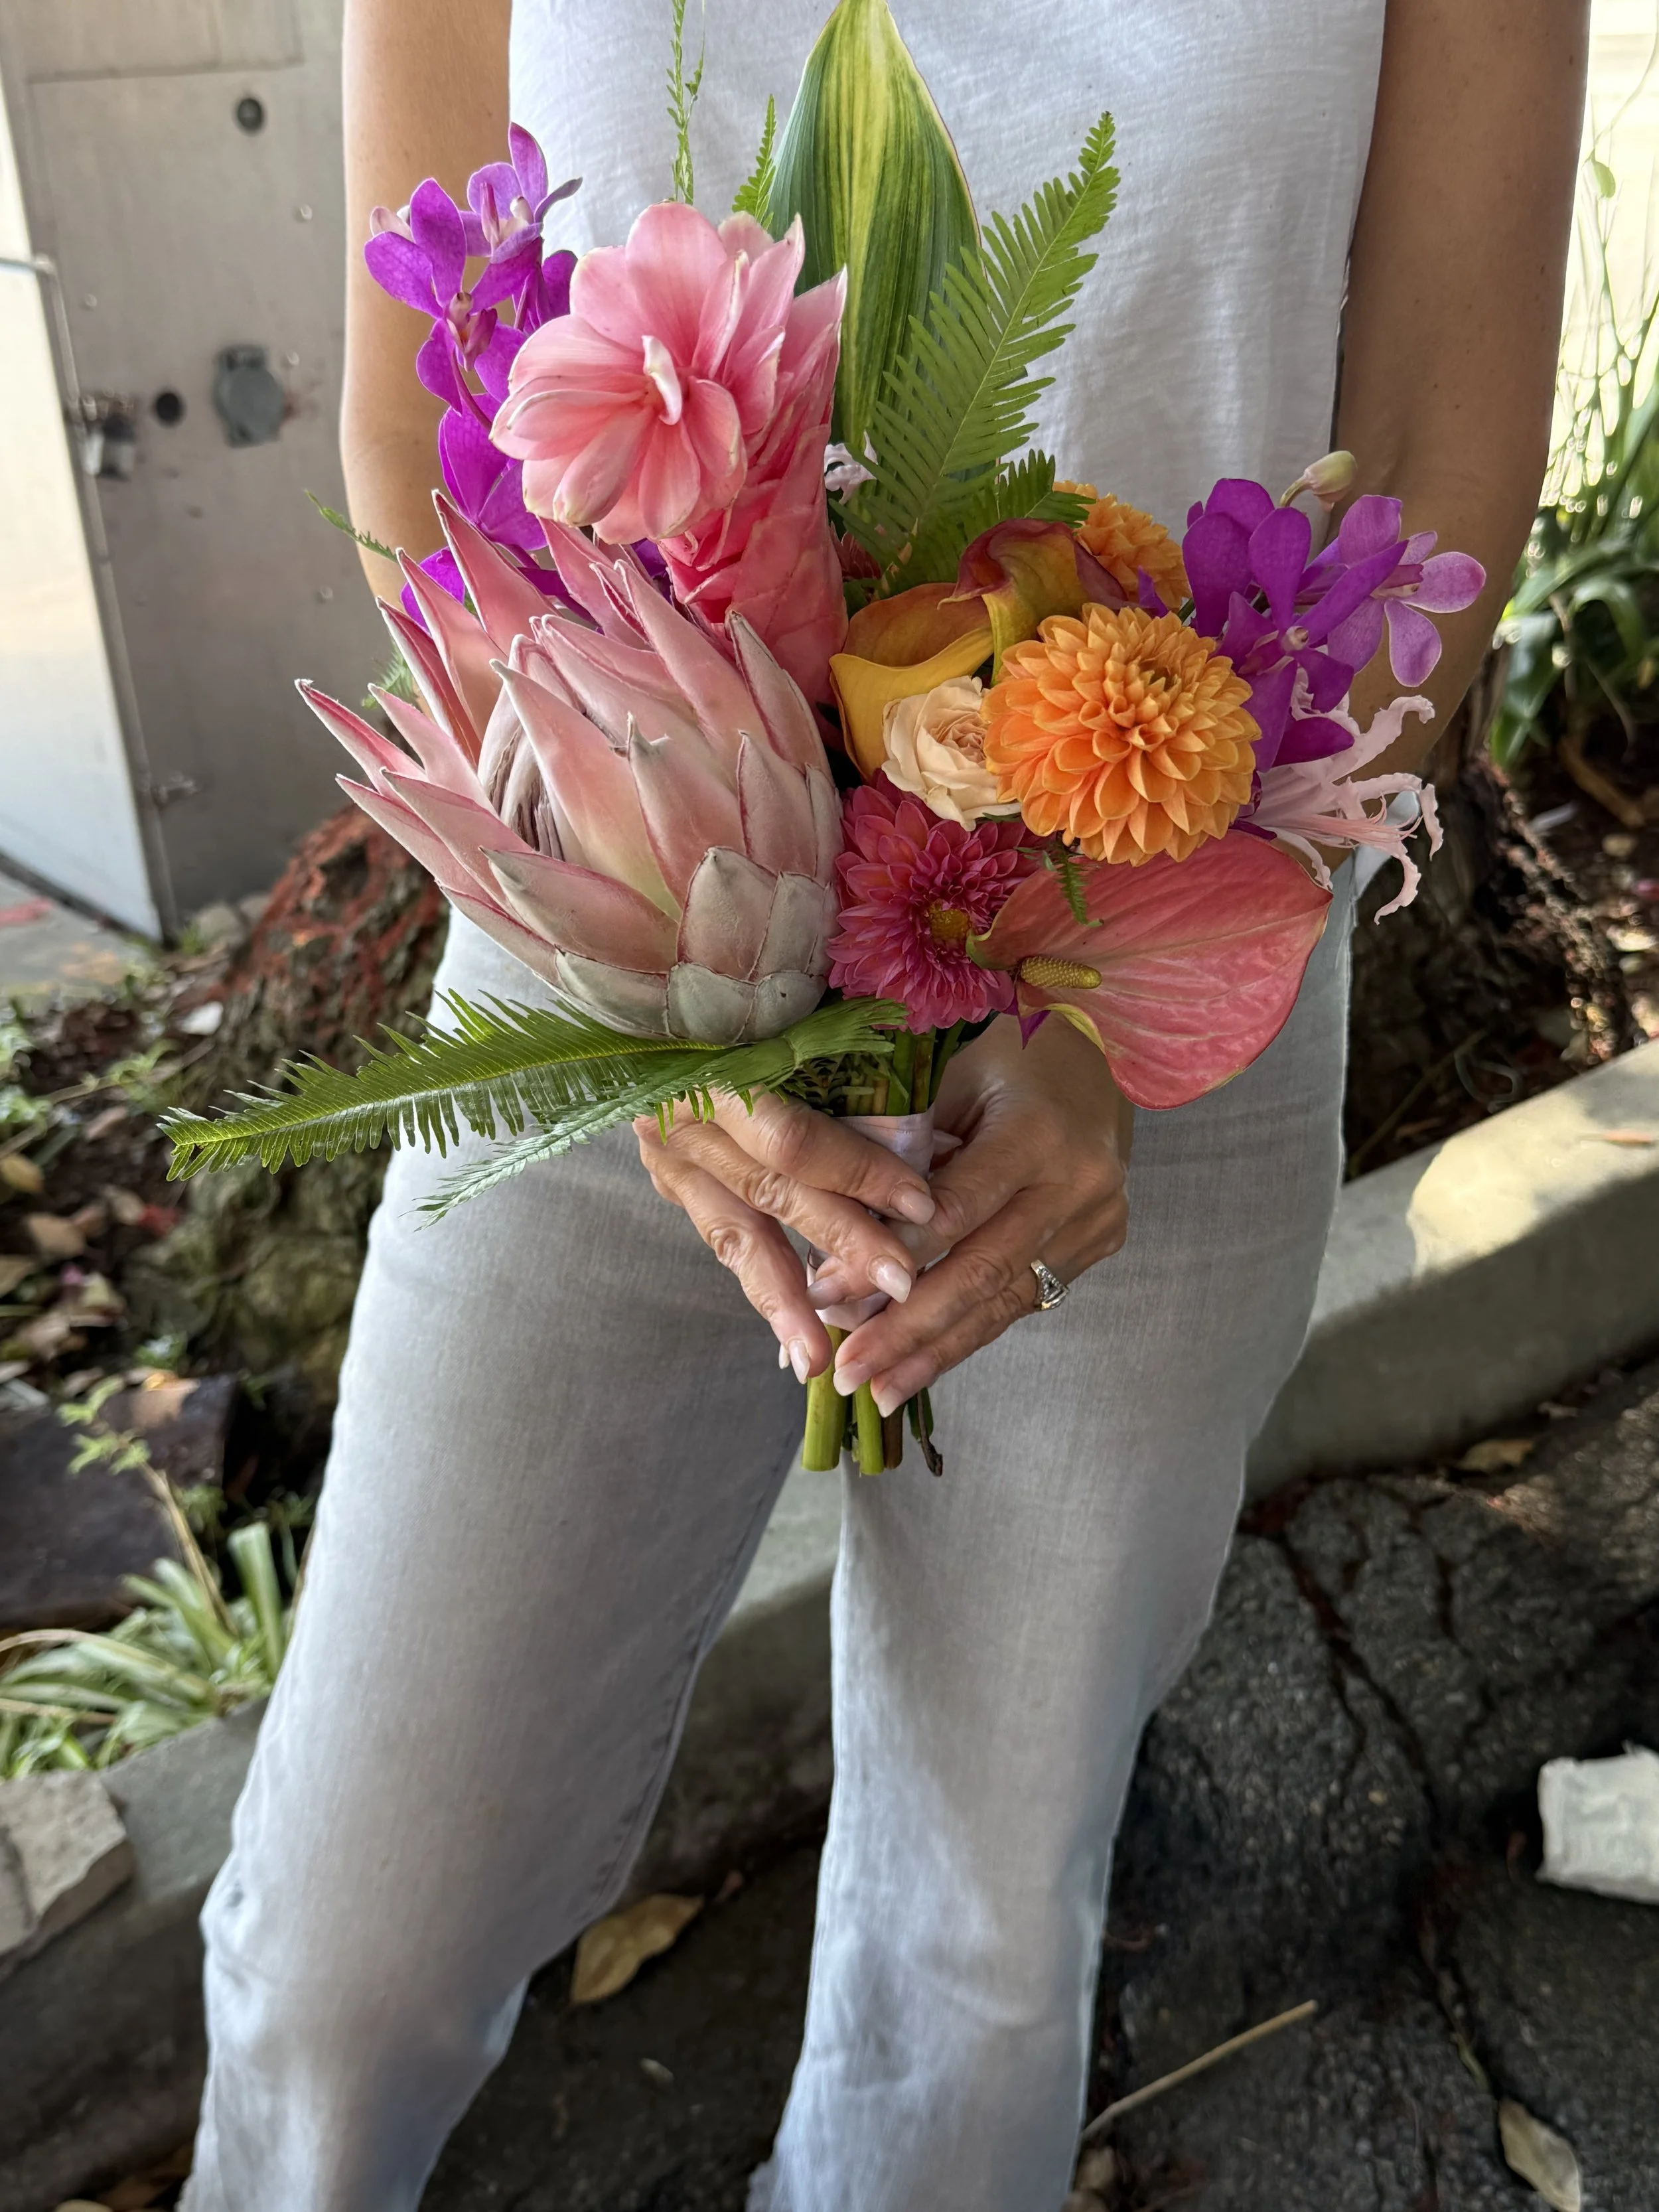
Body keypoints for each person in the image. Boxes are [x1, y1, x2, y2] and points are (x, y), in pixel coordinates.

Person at [180, 4, 1586, 2205]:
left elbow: (1430, 448)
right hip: (615, 931)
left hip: (1154, 996)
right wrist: (656, 981)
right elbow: (414, 428)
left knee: (978, 1958)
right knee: (348, 1937)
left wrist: (1126, 984)